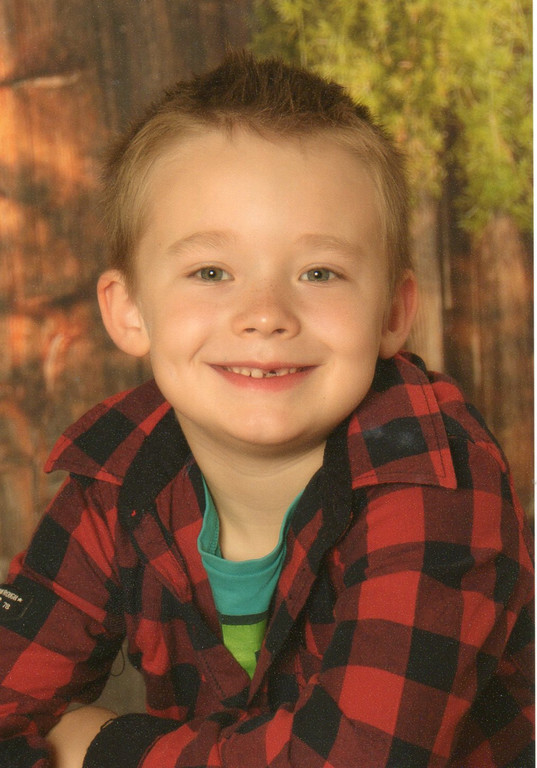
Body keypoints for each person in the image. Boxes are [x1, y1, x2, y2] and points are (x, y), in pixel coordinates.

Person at [0, 51, 533, 768]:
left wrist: (99, 749)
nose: (265, 313)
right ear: (128, 310)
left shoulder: (433, 475)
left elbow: (353, 759)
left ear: (391, 312)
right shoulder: (117, 474)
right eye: (210, 271)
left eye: (319, 272)